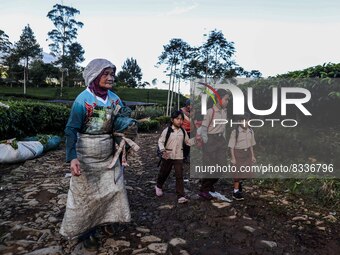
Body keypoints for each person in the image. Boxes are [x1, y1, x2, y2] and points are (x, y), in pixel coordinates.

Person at [60, 59, 134, 251]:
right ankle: (87, 232)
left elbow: (121, 120)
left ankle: (108, 220)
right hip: (86, 154)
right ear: (94, 75)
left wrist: (127, 127)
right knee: (87, 195)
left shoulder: (114, 99)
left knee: (113, 189)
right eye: (106, 74)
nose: (110, 78)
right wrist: (73, 157)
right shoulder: (83, 100)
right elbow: (70, 129)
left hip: (108, 154)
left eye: (112, 74)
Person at [155, 110, 195, 203]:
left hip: (179, 156)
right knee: (164, 172)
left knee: (179, 175)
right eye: (177, 119)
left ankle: (180, 195)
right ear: (172, 120)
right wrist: (162, 150)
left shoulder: (183, 131)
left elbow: (187, 142)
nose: (180, 121)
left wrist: (196, 140)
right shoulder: (167, 130)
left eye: (181, 119)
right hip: (167, 155)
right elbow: (160, 141)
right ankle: (158, 186)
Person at [199, 89, 230, 200]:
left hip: (220, 140)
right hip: (211, 140)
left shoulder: (224, 111)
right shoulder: (210, 111)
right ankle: (204, 190)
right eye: (226, 99)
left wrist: (224, 139)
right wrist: (206, 141)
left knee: (222, 166)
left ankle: (209, 184)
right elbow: (203, 128)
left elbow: (224, 127)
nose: (227, 101)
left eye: (228, 99)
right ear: (219, 98)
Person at [228, 112, 256, 200]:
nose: (245, 123)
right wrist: (233, 158)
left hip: (247, 154)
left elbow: (251, 145)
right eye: (243, 121)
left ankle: (239, 184)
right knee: (237, 174)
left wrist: (253, 156)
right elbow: (231, 146)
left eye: (247, 121)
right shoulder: (235, 132)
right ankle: (235, 192)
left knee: (245, 173)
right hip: (238, 153)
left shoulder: (250, 131)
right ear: (239, 122)